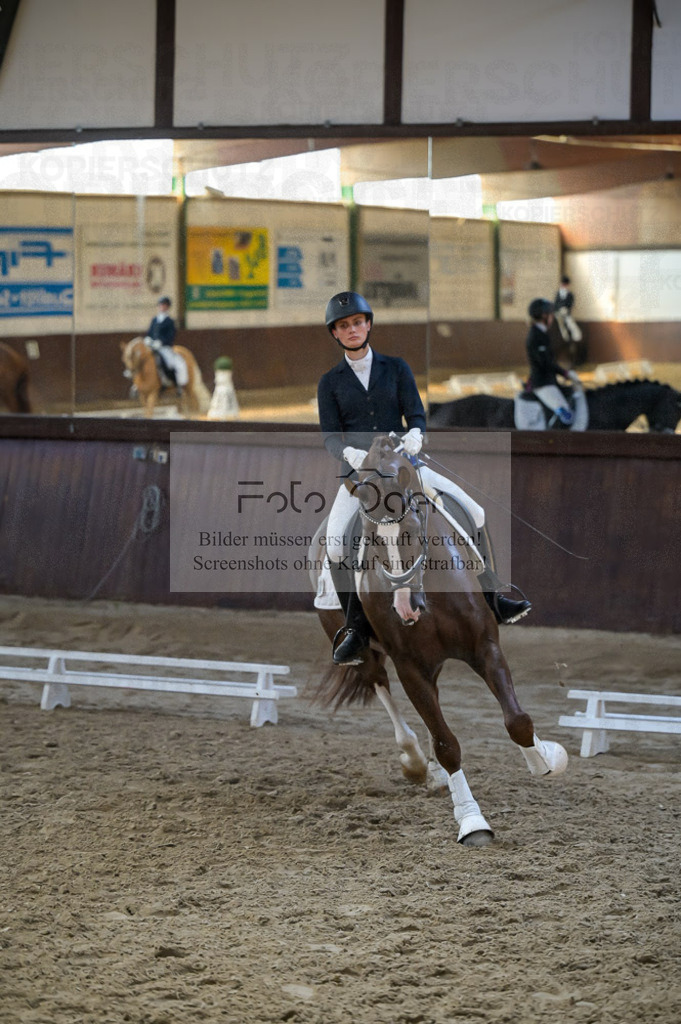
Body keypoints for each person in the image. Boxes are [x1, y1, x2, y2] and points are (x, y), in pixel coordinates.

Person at [318, 291, 531, 666]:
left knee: (474, 510)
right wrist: (350, 453)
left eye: (356, 322)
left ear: (368, 324)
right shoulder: (329, 382)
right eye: (343, 326)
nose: (351, 330)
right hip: (361, 476)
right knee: (336, 544)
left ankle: (493, 595)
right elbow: (330, 438)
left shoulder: (396, 367)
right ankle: (355, 627)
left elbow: (416, 414)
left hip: (403, 467)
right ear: (335, 334)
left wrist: (415, 435)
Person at [525, 298, 580, 426]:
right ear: (544, 316)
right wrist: (565, 373)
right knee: (566, 415)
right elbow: (545, 363)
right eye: (550, 315)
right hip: (542, 384)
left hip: (549, 381)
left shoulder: (542, 333)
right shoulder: (536, 335)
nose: (552, 318)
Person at [144, 296, 188, 388]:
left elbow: (171, 336)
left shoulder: (170, 321)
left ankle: (170, 381)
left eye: (164, 305)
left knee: (169, 363)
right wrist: (148, 339)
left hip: (164, 347)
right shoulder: (154, 320)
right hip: (152, 346)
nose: (162, 307)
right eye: (161, 305)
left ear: (167, 307)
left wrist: (161, 342)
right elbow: (150, 332)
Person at [553, 275, 583, 345]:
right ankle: (565, 336)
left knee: (570, 322)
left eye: (565, 284)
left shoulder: (570, 294)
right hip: (558, 313)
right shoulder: (557, 294)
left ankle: (577, 336)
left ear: (567, 285)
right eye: (562, 284)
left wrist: (566, 310)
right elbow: (555, 304)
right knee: (561, 324)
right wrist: (558, 310)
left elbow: (571, 304)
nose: (563, 286)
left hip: (566, 313)